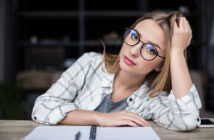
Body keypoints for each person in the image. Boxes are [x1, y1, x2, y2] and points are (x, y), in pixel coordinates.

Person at [31, 10, 201, 131]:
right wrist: (100, 118)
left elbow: (186, 120)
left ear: (160, 65)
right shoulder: (91, 63)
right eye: (134, 36)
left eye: (151, 49)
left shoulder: (153, 101)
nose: (133, 51)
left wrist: (177, 52)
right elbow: (42, 107)